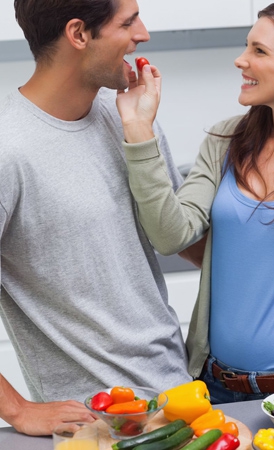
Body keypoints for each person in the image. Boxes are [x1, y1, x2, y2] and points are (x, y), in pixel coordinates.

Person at [116, 0, 274, 404]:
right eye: (245, 46)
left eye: (259, 51)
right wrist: (138, 129)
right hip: (213, 385)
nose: (241, 61)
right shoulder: (225, 141)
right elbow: (171, 236)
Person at [0, 0, 196, 436]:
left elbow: (185, 241)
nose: (143, 33)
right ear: (79, 34)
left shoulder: (127, 114)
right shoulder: (8, 150)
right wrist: (16, 409)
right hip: (96, 428)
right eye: (128, 22)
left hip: (182, 402)